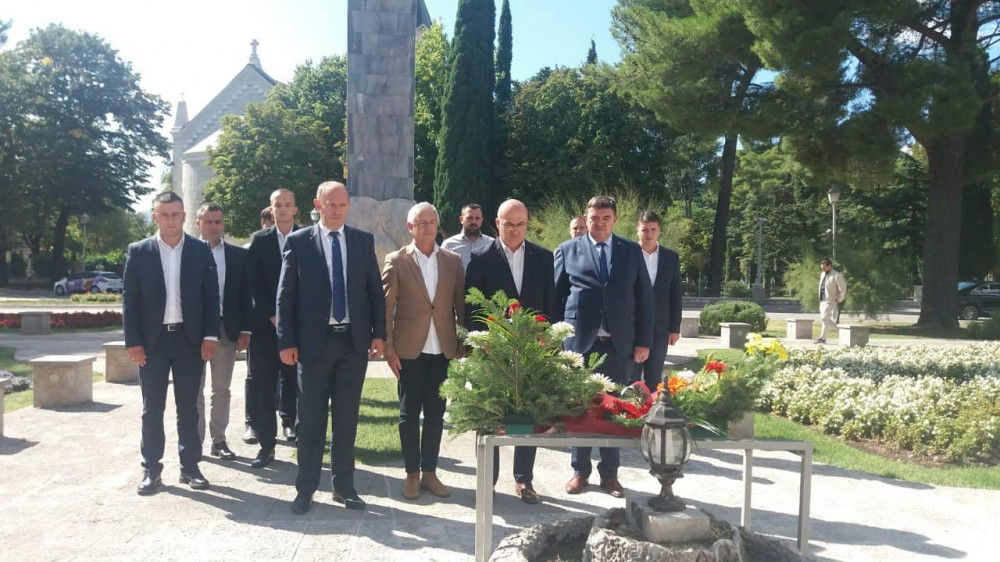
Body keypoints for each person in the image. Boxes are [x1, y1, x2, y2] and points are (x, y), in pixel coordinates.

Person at [277, 181, 386, 515]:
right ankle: (306, 488)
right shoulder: (299, 242)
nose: (337, 210)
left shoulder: (362, 241)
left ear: (348, 206)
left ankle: (344, 486)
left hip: (352, 344)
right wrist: (286, 341)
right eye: (331, 204)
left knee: (346, 420)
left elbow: (374, 291)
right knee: (310, 422)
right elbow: (286, 295)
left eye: (342, 205)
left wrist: (379, 335)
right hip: (313, 346)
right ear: (318, 205)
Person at [554, 195, 654, 498]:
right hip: (580, 344)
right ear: (586, 218)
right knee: (580, 409)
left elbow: (645, 299)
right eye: (594, 218)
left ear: (615, 220)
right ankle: (579, 471)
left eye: (605, 218)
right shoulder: (567, 249)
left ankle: (610, 475)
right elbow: (556, 297)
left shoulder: (631, 251)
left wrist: (643, 342)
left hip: (619, 344)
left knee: (615, 409)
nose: (599, 223)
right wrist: (556, 341)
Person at [123, 191, 220, 496]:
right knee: (152, 408)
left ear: (184, 216)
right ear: (155, 217)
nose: (170, 220)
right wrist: (133, 342)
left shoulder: (199, 250)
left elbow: (210, 296)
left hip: (189, 341)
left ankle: (190, 467)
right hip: (152, 344)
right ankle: (151, 469)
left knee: (188, 408)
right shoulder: (139, 251)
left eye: (175, 214)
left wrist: (211, 335)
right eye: (163, 214)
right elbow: (130, 301)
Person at [465, 199, 558, 504]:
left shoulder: (543, 257)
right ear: (497, 223)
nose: (515, 230)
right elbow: (472, 307)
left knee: (528, 414)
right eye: (508, 224)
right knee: (490, 415)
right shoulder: (480, 257)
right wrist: (480, 343)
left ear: (527, 224)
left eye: (520, 225)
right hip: (493, 352)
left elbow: (550, 301)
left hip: (532, 350)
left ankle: (523, 479)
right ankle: (488, 481)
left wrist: (549, 339)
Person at [382, 202, 465, 502]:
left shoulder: (453, 261)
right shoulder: (397, 260)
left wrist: (462, 345)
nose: (428, 227)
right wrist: (388, 348)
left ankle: (430, 472)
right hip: (408, 350)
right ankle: (412, 475)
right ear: (410, 227)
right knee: (408, 414)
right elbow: (385, 308)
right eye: (421, 222)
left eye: (432, 222)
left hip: (443, 349)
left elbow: (461, 305)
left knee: (436, 414)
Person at [245, 189, 302, 461]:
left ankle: (299, 433)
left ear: (295, 209)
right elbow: (254, 283)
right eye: (278, 205)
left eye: (288, 204)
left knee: (298, 383)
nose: (283, 209)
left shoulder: (308, 237)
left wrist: (292, 318)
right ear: (271, 209)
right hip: (266, 329)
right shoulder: (259, 240)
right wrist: (273, 315)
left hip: (299, 326)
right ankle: (267, 445)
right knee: (265, 386)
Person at [194, 203, 252, 461]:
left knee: (221, 389)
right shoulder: (187, 252)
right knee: (194, 389)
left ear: (223, 224)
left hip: (226, 328)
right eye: (208, 221)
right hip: (193, 331)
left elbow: (244, 295)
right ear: (198, 223)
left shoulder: (237, 255)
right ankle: (194, 442)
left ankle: (219, 441)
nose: (213, 226)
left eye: (218, 221)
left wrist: (245, 330)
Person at [633, 211, 682, 390]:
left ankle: (652, 407)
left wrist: (674, 328)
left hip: (660, 328)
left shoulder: (670, 257)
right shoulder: (629, 254)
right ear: (638, 230)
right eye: (645, 230)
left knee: (654, 377)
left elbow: (675, 293)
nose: (649, 234)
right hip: (633, 326)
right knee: (631, 377)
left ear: (659, 230)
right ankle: (630, 407)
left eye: (653, 229)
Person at [441, 203, 494, 270]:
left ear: (482, 220)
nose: (474, 222)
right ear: (461, 219)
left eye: (477, 218)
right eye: (469, 218)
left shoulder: (491, 244)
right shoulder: (449, 245)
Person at [816, 257, 847, 344]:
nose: (823, 269)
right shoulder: (822, 274)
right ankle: (843, 332)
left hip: (830, 301)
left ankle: (822, 338)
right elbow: (821, 286)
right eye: (821, 267)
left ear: (829, 266)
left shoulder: (836, 275)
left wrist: (839, 299)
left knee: (824, 319)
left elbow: (843, 289)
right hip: (822, 300)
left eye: (824, 267)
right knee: (825, 319)